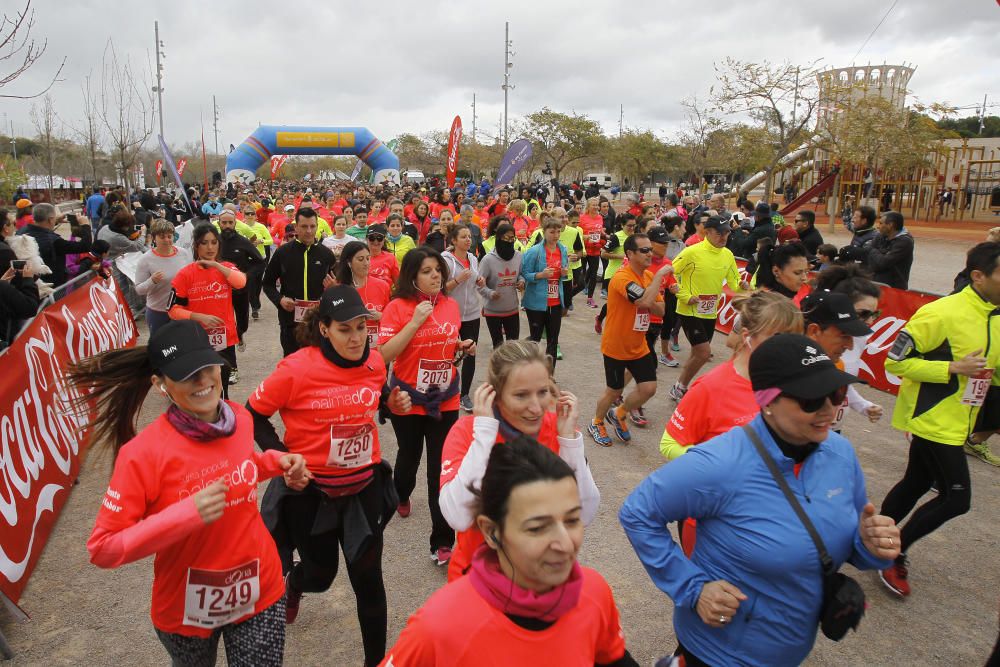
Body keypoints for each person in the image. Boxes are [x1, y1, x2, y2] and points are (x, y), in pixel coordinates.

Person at [621, 333, 900, 667]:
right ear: (767, 401)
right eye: (811, 400)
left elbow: (844, 542)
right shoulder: (720, 463)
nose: (829, 409)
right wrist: (692, 588)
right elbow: (637, 513)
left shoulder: (840, 454)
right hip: (718, 651)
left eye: (836, 393)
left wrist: (870, 546)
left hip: (791, 649)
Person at [70, 320, 309, 667]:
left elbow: (243, 467)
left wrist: (277, 463)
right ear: (159, 384)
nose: (203, 381)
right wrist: (185, 514)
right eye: (186, 374)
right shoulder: (142, 454)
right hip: (186, 608)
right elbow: (103, 548)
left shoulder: (239, 418)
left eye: (207, 366)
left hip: (260, 586)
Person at [247, 286, 409, 666]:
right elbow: (253, 413)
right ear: (324, 329)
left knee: (368, 579)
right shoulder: (295, 368)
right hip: (311, 492)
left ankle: (376, 662)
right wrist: (285, 460)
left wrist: (392, 402)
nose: (356, 338)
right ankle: (296, 585)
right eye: (345, 330)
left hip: (363, 486)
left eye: (361, 328)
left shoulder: (372, 362)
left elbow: (377, 393)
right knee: (321, 575)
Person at [383, 438, 637, 667]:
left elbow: (613, 658)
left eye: (571, 520)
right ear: (492, 532)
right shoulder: (439, 627)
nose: (565, 543)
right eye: (538, 527)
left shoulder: (594, 592)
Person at [879, 242, 1000, 597]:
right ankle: (893, 552)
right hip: (934, 418)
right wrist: (952, 367)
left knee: (916, 482)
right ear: (978, 277)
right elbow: (895, 362)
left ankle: (871, 536)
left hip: (961, 419)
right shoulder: (941, 312)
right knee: (957, 498)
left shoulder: (994, 315)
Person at [438, 339, 601, 581]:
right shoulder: (467, 432)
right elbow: (458, 517)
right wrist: (484, 436)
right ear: (496, 395)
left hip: (543, 575)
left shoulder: (557, 430)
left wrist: (570, 442)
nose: (536, 408)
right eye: (521, 395)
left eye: (543, 392)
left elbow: (585, 513)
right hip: (478, 579)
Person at [378, 247, 476, 566]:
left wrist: (460, 346)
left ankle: (442, 541)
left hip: (444, 398)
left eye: (438, 270)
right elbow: (383, 356)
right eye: (427, 271)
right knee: (408, 461)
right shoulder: (397, 307)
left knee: (440, 470)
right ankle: (402, 492)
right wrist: (414, 321)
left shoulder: (449, 305)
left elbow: (448, 342)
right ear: (412, 277)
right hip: (407, 399)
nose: (436, 275)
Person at [588, 233, 673, 447]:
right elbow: (645, 300)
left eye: (650, 249)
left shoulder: (646, 278)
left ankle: (619, 413)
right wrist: (657, 281)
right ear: (630, 254)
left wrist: (648, 297)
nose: (649, 254)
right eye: (644, 250)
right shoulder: (622, 277)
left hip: (638, 345)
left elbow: (661, 310)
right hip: (617, 345)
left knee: (649, 388)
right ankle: (596, 422)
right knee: (614, 390)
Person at [669, 215, 750, 402]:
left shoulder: (728, 255)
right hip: (689, 310)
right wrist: (684, 296)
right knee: (704, 353)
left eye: (727, 233)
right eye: (719, 233)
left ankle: (679, 386)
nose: (723, 237)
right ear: (707, 232)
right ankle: (679, 387)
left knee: (697, 353)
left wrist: (741, 286)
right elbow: (670, 274)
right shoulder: (692, 252)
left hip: (709, 310)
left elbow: (733, 282)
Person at [167, 225, 246, 400]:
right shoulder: (185, 274)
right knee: (202, 388)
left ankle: (223, 421)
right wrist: (197, 316)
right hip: (196, 340)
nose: (210, 248)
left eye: (214, 242)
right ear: (196, 246)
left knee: (222, 387)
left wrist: (216, 265)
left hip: (223, 339)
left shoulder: (227, 268)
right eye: (204, 243)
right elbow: (172, 310)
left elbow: (241, 282)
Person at [262, 207, 337, 356]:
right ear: (296, 227)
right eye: (304, 226)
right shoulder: (283, 252)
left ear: (317, 226)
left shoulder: (326, 254)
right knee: (292, 362)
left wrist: (333, 288)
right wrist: (280, 300)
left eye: (312, 226)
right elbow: (267, 283)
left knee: (319, 362)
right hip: (290, 320)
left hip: (318, 320)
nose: (309, 231)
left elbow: (336, 287)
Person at [442, 223, 487, 411]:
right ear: (454, 240)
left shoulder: (473, 258)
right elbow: (440, 289)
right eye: (463, 237)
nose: (468, 240)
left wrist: (480, 281)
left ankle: (465, 394)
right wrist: (457, 280)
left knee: (470, 353)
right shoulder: (445, 260)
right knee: (446, 355)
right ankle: (444, 392)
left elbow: (476, 286)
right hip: (450, 315)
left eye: (469, 236)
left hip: (472, 314)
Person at [520, 217, 568, 368]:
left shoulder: (563, 249)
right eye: (552, 231)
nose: (555, 235)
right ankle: (532, 372)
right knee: (535, 339)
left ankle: (549, 375)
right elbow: (524, 273)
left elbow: (564, 274)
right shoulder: (534, 251)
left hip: (555, 301)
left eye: (558, 231)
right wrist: (540, 275)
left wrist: (564, 273)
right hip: (536, 303)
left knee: (553, 340)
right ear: (544, 231)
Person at [135, 219, 192, 337]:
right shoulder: (145, 260)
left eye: (169, 236)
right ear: (154, 238)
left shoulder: (184, 253)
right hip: (158, 312)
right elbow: (139, 289)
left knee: (182, 346)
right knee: (160, 349)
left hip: (181, 310)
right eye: (162, 237)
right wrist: (152, 281)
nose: (167, 240)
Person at [18, 203, 93, 287]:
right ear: (50, 219)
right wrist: (85, 225)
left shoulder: (22, 231)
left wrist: (55, 221)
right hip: (53, 285)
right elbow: (85, 246)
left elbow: (41, 229)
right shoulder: (54, 241)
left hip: (32, 282)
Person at [336, 240, 392, 349]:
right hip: (349, 348)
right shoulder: (339, 289)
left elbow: (392, 318)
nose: (366, 263)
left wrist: (381, 316)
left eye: (368, 258)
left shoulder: (382, 286)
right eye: (360, 259)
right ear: (349, 262)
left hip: (379, 350)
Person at [478, 222, 524, 348]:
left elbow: (521, 274)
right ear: (498, 238)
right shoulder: (488, 260)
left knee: (513, 347)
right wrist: (490, 293)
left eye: (512, 238)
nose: (510, 241)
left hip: (512, 309)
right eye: (506, 238)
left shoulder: (518, 256)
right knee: (498, 346)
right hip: (493, 311)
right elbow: (479, 284)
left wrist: (521, 281)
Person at [864, 211, 914, 289]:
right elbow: (866, 251)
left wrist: (873, 251)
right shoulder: (881, 236)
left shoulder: (905, 242)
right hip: (875, 284)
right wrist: (881, 254)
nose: (878, 226)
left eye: (881, 223)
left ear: (890, 225)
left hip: (894, 288)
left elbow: (883, 263)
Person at [242, 206, 274, 320]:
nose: (250, 216)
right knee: (250, 283)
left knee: (258, 283)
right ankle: (254, 307)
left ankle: (256, 301)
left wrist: (261, 241)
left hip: (260, 259)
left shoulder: (261, 227)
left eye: (252, 214)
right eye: (247, 214)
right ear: (244, 215)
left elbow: (271, 240)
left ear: (255, 216)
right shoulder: (241, 227)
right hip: (246, 260)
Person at [579, 198, 606, 308]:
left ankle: (590, 298)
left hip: (595, 250)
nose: (595, 207)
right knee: (581, 273)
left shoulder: (600, 218)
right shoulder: (582, 218)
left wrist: (602, 240)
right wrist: (586, 238)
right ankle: (570, 296)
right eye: (593, 205)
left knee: (594, 275)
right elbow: (578, 234)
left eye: (597, 205)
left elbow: (600, 232)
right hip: (584, 250)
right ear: (588, 207)